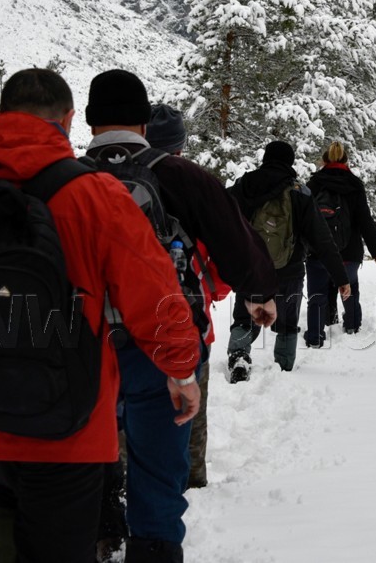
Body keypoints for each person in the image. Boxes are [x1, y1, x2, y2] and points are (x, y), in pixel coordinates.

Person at [0, 68, 201, 563]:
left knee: (8, 496)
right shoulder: (96, 196)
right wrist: (180, 370)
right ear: (69, 120)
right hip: (73, 419)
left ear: (1, 115)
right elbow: (153, 296)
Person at [84, 70, 278, 562]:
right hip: (165, 344)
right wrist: (259, 293)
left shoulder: (64, 180)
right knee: (159, 466)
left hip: (84, 346)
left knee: (93, 450)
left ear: (87, 121)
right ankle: (153, 545)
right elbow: (235, 241)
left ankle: (103, 533)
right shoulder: (181, 176)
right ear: (143, 123)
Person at [144, 103, 231, 489]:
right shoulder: (194, 187)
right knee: (191, 408)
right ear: (180, 145)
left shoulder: (118, 185)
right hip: (191, 323)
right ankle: (192, 478)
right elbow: (220, 271)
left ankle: (132, 481)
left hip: (128, 325)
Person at [228, 140, 350, 370]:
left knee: (244, 318)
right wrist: (341, 277)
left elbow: (220, 220)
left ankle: (239, 357)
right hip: (289, 270)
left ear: (266, 158)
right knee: (287, 323)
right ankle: (283, 368)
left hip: (250, 268)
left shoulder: (244, 186)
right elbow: (322, 239)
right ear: (290, 162)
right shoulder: (299, 193)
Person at [307, 141, 376, 334]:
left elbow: (304, 219)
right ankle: (352, 326)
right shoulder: (354, 184)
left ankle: (322, 327)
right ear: (346, 161)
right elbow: (365, 220)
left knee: (319, 291)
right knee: (350, 288)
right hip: (349, 251)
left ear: (324, 161)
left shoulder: (314, 184)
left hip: (319, 251)